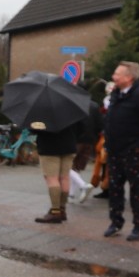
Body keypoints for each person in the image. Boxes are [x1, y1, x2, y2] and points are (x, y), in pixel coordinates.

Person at [102, 61, 139, 240]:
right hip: (114, 150)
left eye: (117, 74)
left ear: (129, 77)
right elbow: (110, 119)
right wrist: (107, 142)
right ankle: (115, 222)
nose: (113, 77)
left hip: (132, 151)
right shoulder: (116, 93)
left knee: (137, 189)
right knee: (114, 188)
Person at [33, 85, 88, 224]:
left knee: (52, 179)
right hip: (69, 146)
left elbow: (36, 128)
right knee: (64, 178)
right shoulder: (72, 106)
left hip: (49, 148)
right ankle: (62, 209)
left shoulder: (42, 108)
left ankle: (55, 211)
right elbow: (82, 128)